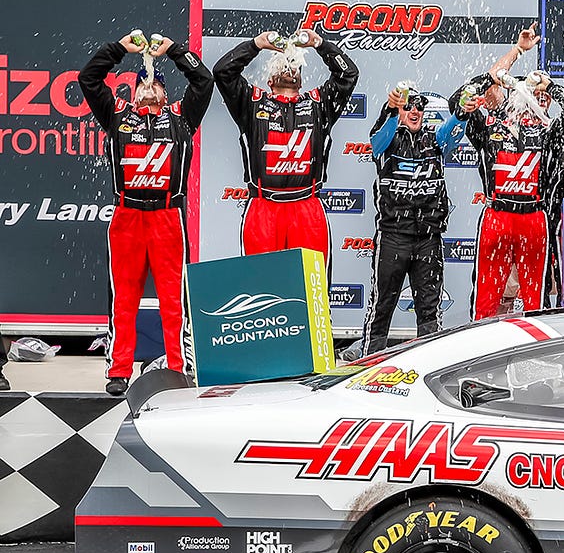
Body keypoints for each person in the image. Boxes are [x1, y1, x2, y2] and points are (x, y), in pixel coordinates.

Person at [79, 33, 213, 396]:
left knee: (173, 300)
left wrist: (175, 52)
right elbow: (88, 78)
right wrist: (119, 49)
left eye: (156, 85)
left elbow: (205, 80)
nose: (150, 89)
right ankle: (119, 371)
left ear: (166, 94)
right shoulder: (116, 115)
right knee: (124, 298)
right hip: (127, 217)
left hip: (167, 216)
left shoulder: (182, 118)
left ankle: (175, 368)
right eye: (143, 85)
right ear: (133, 92)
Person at [450, 24, 564, 319]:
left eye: (535, 97)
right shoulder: (491, 126)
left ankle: (533, 357)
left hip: (534, 218)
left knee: (534, 302)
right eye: (523, 94)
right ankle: (479, 354)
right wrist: (500, 70)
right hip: (497, 215)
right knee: (485, 301)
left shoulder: (550, 131)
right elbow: (458, 101)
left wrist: (549, 86)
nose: (529, 102)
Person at [214, 29, 359, 262]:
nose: (288, 68)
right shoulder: (252, 103)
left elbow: (348, 73)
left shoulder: (318, 104)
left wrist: (320, 44)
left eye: (294, 66)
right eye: (280, 65)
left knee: (312, 288)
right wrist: (256, 44)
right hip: (264, 208)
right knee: (261, 286)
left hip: (307, 207)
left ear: (301, 79)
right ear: (269, 79)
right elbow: (223, 72)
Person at [360, 88, 467, 355]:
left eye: (419, 107)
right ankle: (370, 359)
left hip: (428, 238)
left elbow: (452, 132)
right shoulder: (388, 138)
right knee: (382, 305)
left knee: (429, 307)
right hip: (393, 236)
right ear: (399, 111)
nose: (415, 111)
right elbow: (376, 141)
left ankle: (429, 361)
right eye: (408, 107)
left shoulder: (434, 140)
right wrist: (392, 110)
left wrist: (463, 113)